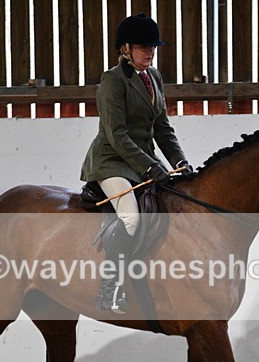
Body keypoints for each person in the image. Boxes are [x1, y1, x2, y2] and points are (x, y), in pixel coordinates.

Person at [80, 13, 193, 314]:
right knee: (131, 217)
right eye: (144, 47)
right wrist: (149, 167)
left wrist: (179, 161)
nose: (150, 53)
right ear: (126, 49)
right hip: (112, 162)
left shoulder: (153, 78)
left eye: (153, 47)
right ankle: (109, 290)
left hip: (143, 161)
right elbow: (117, 136)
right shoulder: (112, 82)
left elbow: (163, 128)